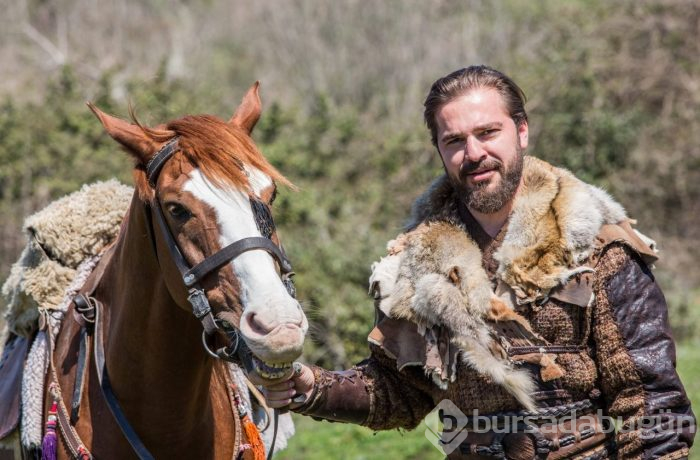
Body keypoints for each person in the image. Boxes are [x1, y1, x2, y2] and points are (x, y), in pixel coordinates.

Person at [258, 66, 696, 459]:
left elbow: (653, 405)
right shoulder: (415, 266)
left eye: (487, 132)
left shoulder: (596, 244)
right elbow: (399, 390)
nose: (473, 153)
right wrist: (312, 387)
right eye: (454, 141)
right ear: (439, 150)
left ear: (521, 131)